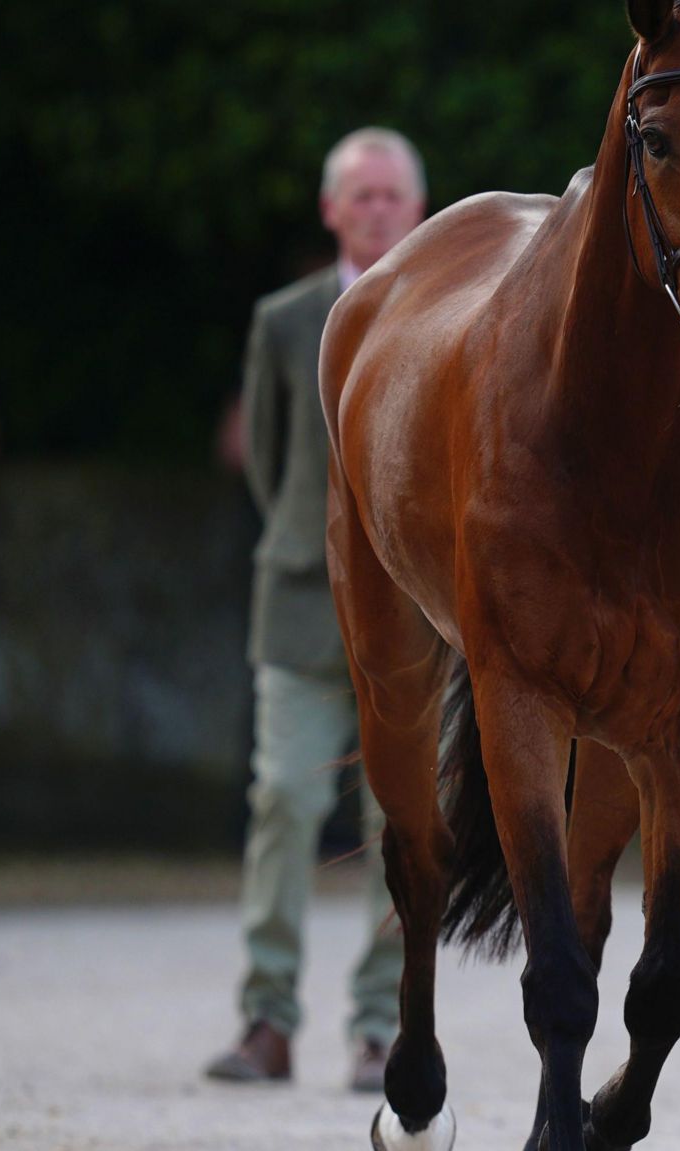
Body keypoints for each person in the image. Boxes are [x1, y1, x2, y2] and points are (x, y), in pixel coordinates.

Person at [203, 127, 427, 1093]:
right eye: (361, 195)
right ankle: (267, 1018)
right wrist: (315, 547)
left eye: (392, 195)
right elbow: (269, 463)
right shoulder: (285, 320)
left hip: (414, 615)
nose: (377, 208)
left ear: (418, 209)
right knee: (283, 797)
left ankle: (382, 1030)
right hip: (301, 602)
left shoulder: (445, 305)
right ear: (333, 209)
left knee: (406, 827)